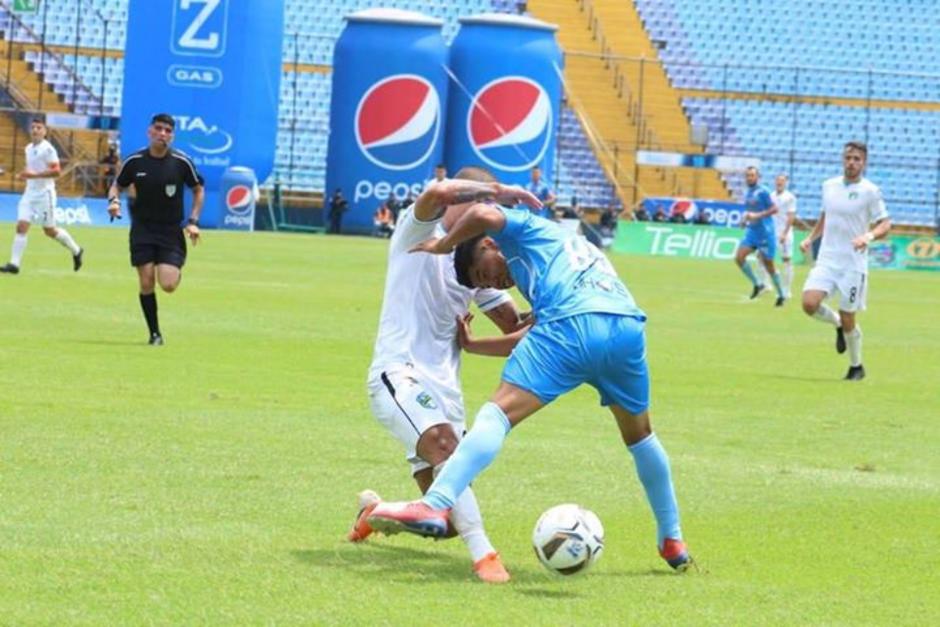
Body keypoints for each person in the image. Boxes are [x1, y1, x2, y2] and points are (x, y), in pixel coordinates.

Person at [368, 185, 694, 573]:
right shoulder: (566, 251)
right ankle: (671, 538)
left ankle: (435, 503)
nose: (490, 284)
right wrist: (475, 346)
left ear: (490, 245)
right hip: (625, 326)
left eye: (482, 274)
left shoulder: (522, 227)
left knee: (497, 415)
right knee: (641, 437)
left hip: (572, 325)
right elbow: (533, 331)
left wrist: (445, 244)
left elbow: (482, 214)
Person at [349, 168, 534, 584]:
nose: (485, 219)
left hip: (445, 397)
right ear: (464, 202)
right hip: (398, 374)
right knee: (445, 447)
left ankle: (375, 513)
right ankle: (485, 556)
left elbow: (514, 326)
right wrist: (496, 192)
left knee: (444, 522)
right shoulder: (417, 232)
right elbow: (438, 190)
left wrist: (553, 311)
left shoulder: (475, 267)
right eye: (480, 208)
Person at [107, 113, 204, 346]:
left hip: (170, 230)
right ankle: (154, 334)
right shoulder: (135, 161)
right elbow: (116, 186)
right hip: (142, 229)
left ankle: (173, 269)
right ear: (149, 131)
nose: (163, 134)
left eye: (168, 130)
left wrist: (193, 221)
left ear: (172, 136)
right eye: (159, 129)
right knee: (146, 281)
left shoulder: (181, 162)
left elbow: (198, 189)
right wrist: (114, 202)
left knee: (168, 284)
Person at [799, 141, 890, 381]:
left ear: (864, 163)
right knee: (809, 303)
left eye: (857, 159)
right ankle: (836, 323)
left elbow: (886, 224)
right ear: (843, 159)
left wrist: (868, 236)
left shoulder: (870, 191)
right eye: (848, 157)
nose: (851, 162)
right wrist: (811, 238)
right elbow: (826, 215)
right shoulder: (829, 186)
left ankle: (856, 366)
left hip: (853, 264)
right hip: (828, 259)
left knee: (850, 315)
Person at [0, 118, 83, 275]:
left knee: (50, 231)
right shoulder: (28, 148)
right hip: (29, 194)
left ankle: (76, 250)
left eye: (39, 127)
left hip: (45, 194)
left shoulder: (48, 149)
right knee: (21, 226)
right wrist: (24, 174)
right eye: (33, 127)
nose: (35, 130)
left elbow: (57, 171)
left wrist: (34, 175)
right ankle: (14, 264)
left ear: (45, 131)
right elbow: (31, 169)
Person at [733, 166, 786, 306]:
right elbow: (751, 211)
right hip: (752, 231)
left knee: (770, 266)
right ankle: (758, 284)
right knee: (739, 258)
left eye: (752, 175)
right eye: (748, 175)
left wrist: (757, 215)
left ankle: (781, 294)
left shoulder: (763, 191)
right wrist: (745, 220)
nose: (749, 178)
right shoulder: (748, 192)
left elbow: (775, 208)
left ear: (758, 177)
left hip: (765, 233)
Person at [770, 174, 798, 298]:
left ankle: (787, 290)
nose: (779, 182)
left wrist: (785, 233)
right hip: (772, 233)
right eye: (777, 180)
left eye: (782, 181)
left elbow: (791, 216)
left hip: (784, 234)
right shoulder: (771, 196)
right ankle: (765, 284)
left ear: (786, 182)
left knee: (786, 260)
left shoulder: (790, 197)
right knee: (763, 257)